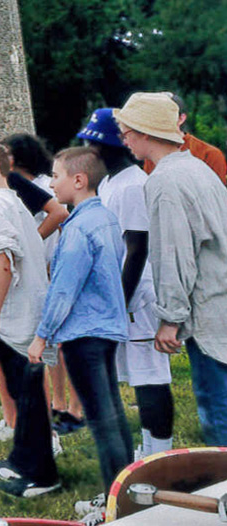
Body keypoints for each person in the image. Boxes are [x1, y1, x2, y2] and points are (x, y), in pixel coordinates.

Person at [27, 147, 133, 526]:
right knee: (114, 415)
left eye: (55, 176)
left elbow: (64, 289)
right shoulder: (105, 218)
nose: (51, 183)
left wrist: (42, 336)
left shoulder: (77, 229)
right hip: (107, 331)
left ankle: (115, 507)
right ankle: (124, 493)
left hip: (84, 335)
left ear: (78, 180)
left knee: (102, 422)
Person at [116, 92, 227, 447]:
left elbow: (175, 254)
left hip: (210, 311)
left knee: (217, 411)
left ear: (146, 132)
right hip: (219, 300)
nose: (124, 139)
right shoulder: (195, 167)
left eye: (127, 131)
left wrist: (171, 319)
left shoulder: (166, 181)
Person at [0, 130, 69, 447]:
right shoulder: (14, 202)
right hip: (23, 307)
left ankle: (43, 444)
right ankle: (36, 439)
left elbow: (4, 263)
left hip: (11, 313)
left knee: (26, 381)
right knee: (26, 380)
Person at [77, 109, 174, 462]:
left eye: (92, 143)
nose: (88, 151)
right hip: (117, 295)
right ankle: (146, 451)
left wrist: (118, 304)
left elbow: (138, 248)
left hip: (137, 296)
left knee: (150, 378)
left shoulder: (133, 184)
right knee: (134, 377)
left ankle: (160, 454)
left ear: (108, 147)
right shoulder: (108, 184)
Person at [4, 133, 85, 436]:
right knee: (50, 340)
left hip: (53, 264)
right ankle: (59, 402)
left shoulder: (39, 186)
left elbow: (60, 218)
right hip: (44, 267)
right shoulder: (22, 186)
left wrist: (30, 245)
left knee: (65, 341)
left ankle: (74, 408)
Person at [141, 91, 227, 185]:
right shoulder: (151, 154)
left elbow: (218, 197)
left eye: (165, 116)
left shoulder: (209, 154)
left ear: (181, 118)